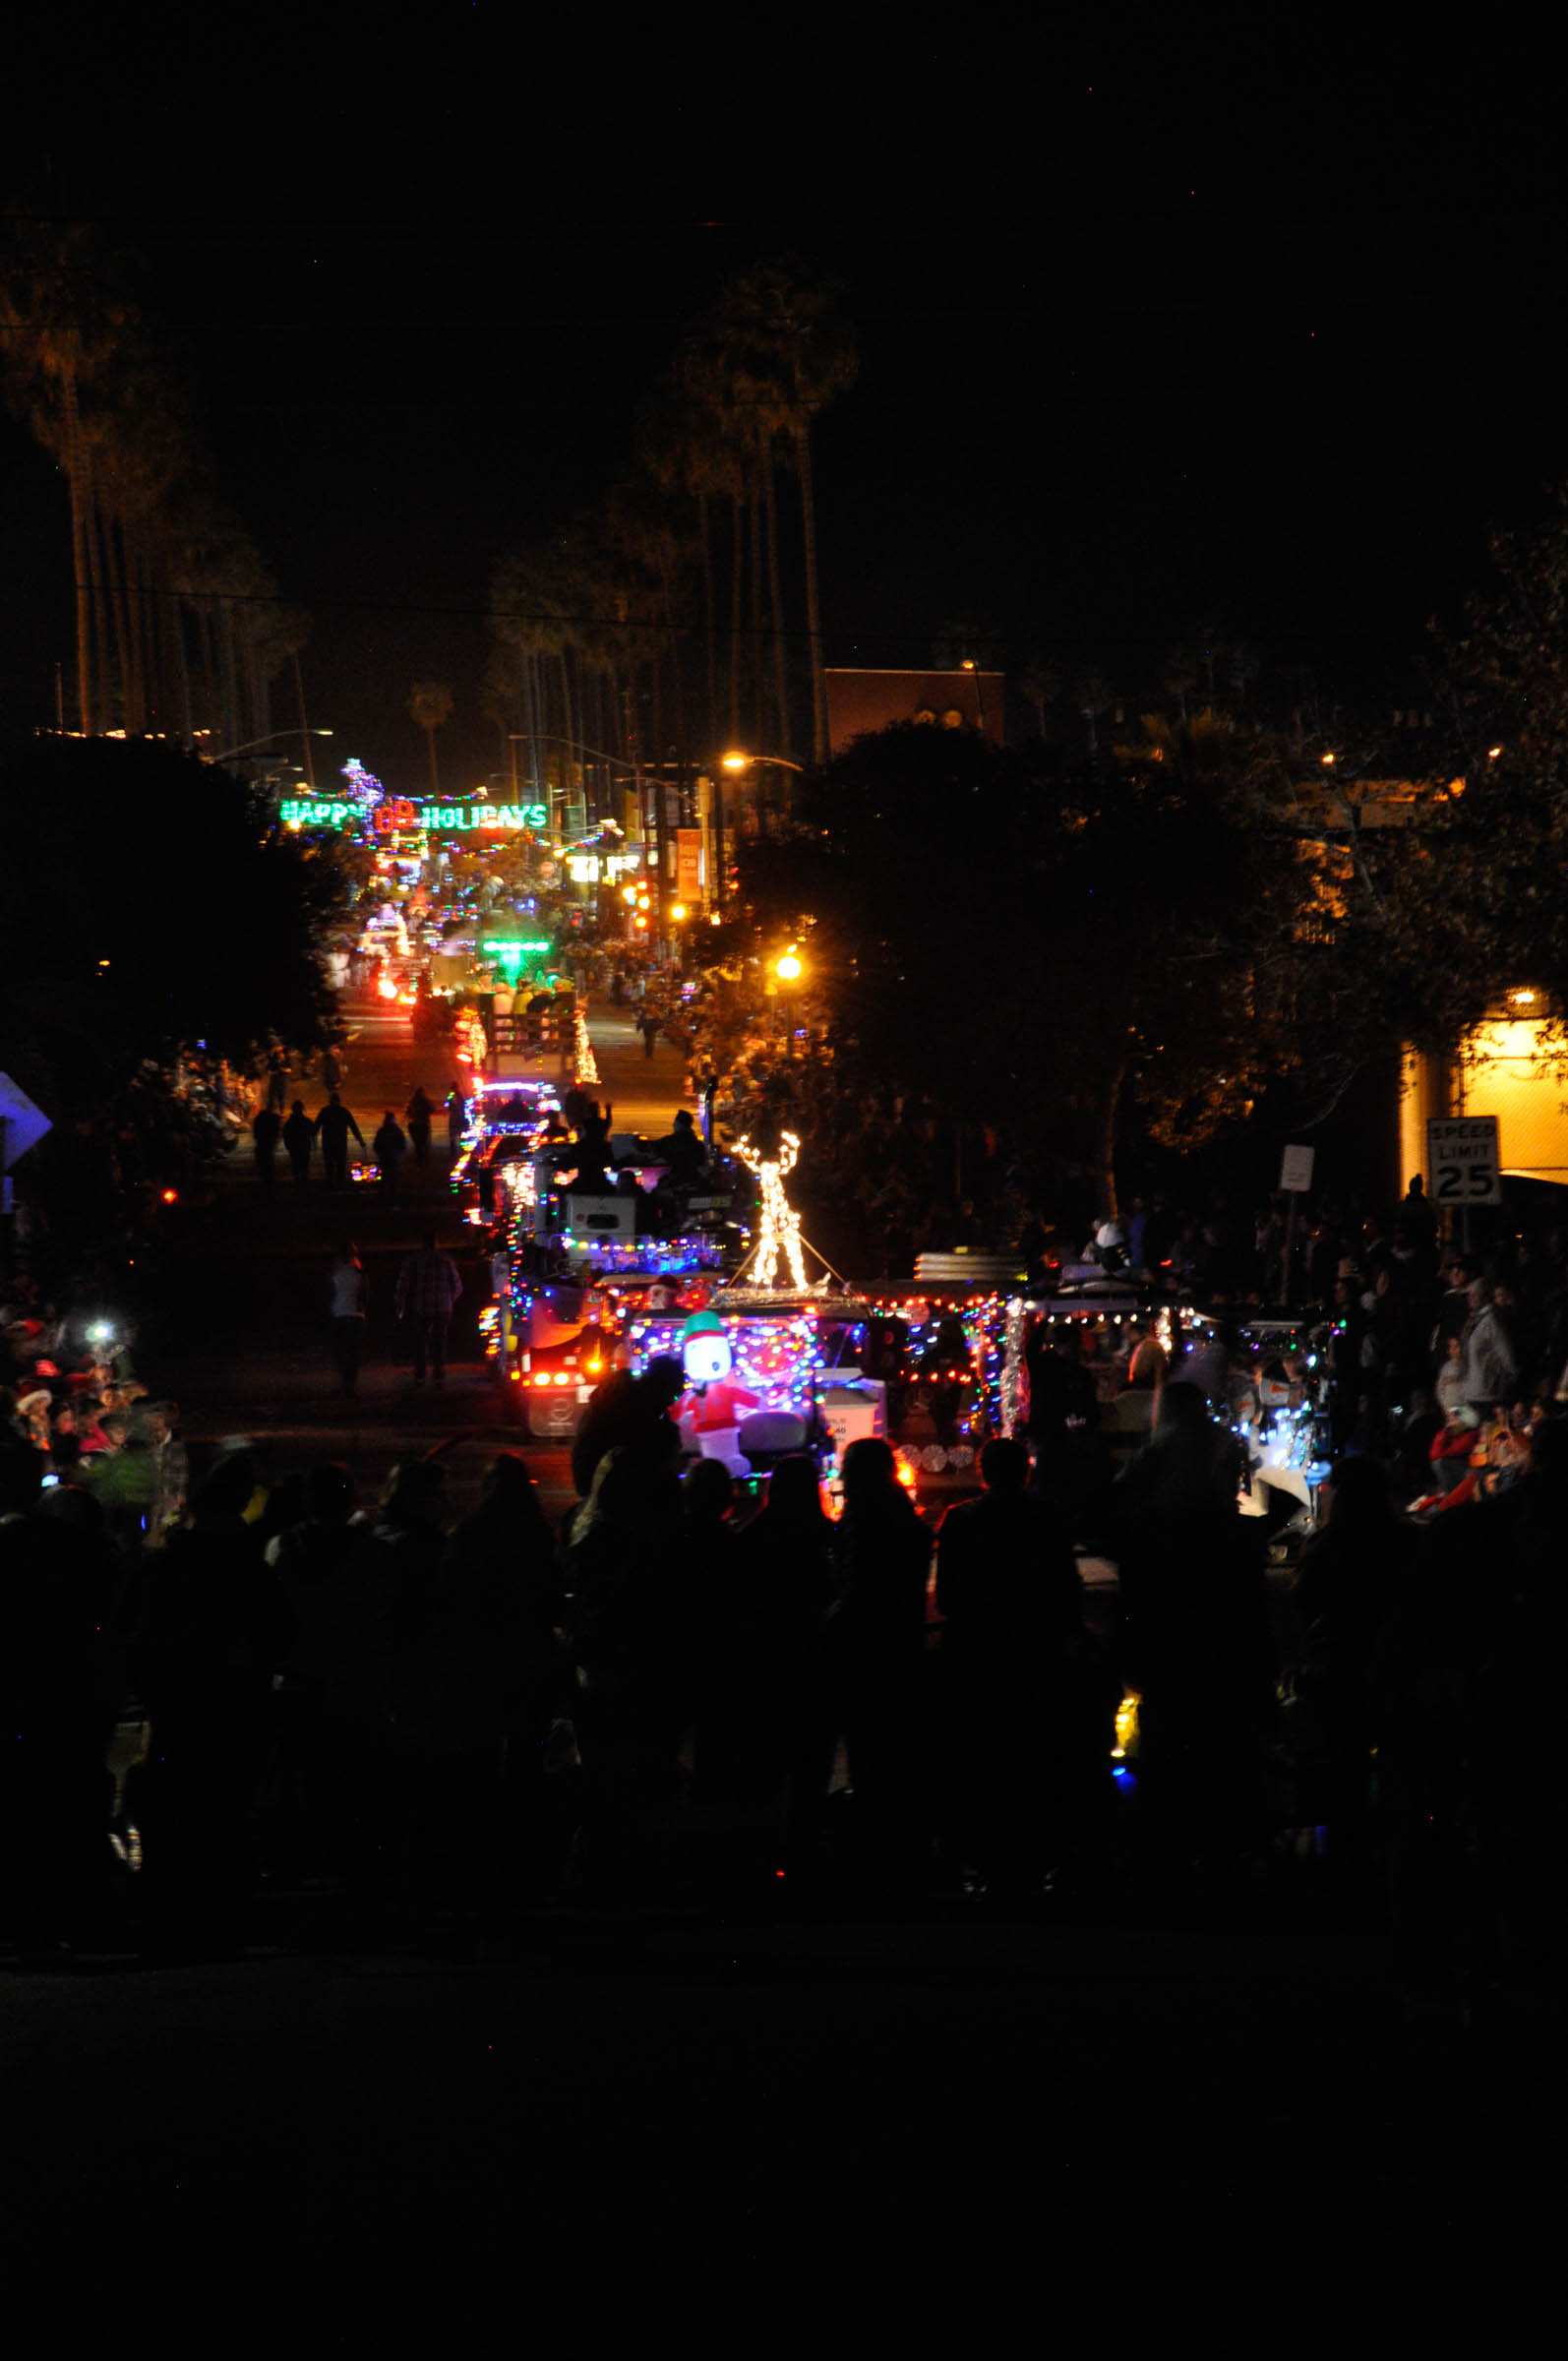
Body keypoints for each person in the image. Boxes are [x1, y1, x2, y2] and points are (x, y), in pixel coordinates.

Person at [394, 1227, 464, 1386]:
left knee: (420, 1341)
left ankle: (420, 1375)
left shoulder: (414, 1260)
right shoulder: (446, 1260)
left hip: (421, 1307)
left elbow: (403, 1285)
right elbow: (458, 1286)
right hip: (443, 1307)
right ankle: (438, 1376)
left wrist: (401, 1304)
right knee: (439, 1341)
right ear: (436, 1243)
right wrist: (449, 1299)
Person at [329, 1241, 368, 1395]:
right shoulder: (359, 1271)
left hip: (340, 1314)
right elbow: (365, 1293)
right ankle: (349, 1384)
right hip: (355, 1316)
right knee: (353, 1352)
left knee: (341, 1351)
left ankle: (346, 1383)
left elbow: (330, 1292)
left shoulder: (336, 1271)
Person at [314, 1090, 365, 1190]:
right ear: (339, 1101)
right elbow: (353, 1127)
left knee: (329, 1165)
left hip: (328, 1143)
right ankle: (340, 1185)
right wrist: (360, 1140)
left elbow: (316, 1127)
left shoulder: (325, 1111)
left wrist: (311, 1140)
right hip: (340, 1143)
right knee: (340, 1165)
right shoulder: (344, 1111)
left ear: (330, 1101)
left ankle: (330, 1185)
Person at [373, 1109, 408, 1198]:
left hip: (384, 1158)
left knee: (385, 1177)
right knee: (394, 1178)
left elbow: (376, 1145)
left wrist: (380, 1153)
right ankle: (393, 1196)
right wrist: (399, 1154)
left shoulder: (382, 1131)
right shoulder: (397, 1131)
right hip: (394, 1158)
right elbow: (402, 1145)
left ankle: (383, 1196)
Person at [282, 1098, 315, 1187]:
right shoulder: (306, 1121)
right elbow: (313, 1132)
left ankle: (298, 1185)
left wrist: (288, 1146)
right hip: (304, 1148)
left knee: (296, 1168)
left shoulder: (289, 1123)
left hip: (295, 1149)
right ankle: (303, 1186)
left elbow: (285, 1135)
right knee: (304, 1169)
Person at [251, 1102, 281, 1191]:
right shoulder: (273, 1118)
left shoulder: (259, 1118)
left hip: (261, 1143)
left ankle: (265, 1183)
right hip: (268, 1143)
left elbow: (255, 1133)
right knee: (269, 1161)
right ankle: (269, 1183)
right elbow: (277, 1131)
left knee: (263, 1163)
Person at [406, 1085, 435, 1168]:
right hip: (423, 1123)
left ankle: (419, 1159)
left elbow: (408, 1112)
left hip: (414, 1124)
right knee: (424, 1142)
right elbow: (432, 1109)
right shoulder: (425, 1100)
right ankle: (423, 1159)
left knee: (417, 1143)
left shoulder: (412, 1100)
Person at [446, 1082, 468, 1160]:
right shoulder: (460, 1095)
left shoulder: (452, 1095)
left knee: (454, 1135)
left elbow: (448, 1105)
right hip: (460, 1117)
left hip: (455, 1118)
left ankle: (454, 1152)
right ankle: (462, 1150)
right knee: (461, 1135)